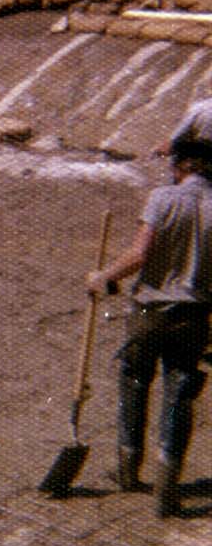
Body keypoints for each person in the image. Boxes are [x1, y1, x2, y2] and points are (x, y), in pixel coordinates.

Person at [87, 138, 212, 517]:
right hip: (195, 314)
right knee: (179, 392)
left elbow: (140, 254)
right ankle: (167, 483)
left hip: (150, 309)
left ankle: (128, 468)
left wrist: (104, 276)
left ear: (182, 166)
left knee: (135, 381)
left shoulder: (162, 198)